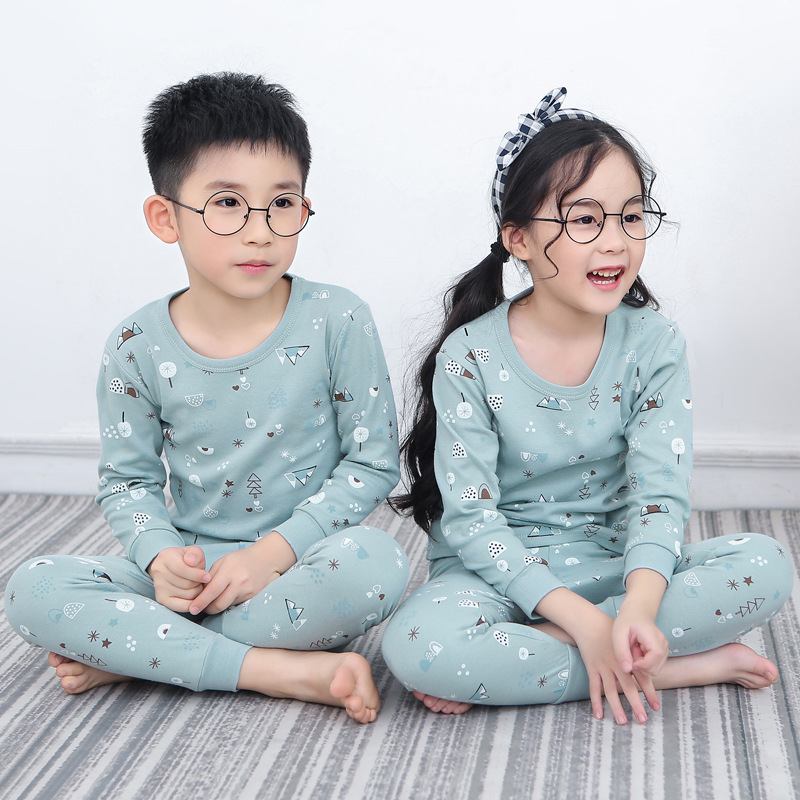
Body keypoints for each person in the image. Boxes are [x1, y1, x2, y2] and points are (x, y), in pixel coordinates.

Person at [5, 72, 408, 724]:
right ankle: (273, 670)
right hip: (189, 576)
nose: (261, 231)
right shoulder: (135, 345)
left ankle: (140, 655)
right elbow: (128, 482)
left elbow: (371, 462)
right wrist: (160, 558)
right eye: (227, 203)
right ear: (165, 218)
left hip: (299, 564)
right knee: (32, 590)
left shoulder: (338, 320)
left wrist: (269, 556)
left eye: (283, 203)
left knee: (378, 563)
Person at [382, 88, 792, 724]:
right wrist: (585, 624)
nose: (615, 242)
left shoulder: (654, 343)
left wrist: (638, 606)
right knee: (417, 649)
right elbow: (472, 524)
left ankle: (557, 655)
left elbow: (659, 497)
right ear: (518, 238)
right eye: (584, 220)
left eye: (631, 217)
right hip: (493, 573)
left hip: (614, 562)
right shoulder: (470, 356)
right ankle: (673, 668)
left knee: (767, 566)